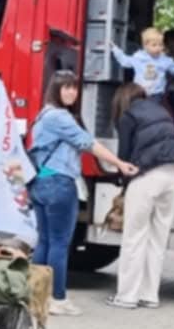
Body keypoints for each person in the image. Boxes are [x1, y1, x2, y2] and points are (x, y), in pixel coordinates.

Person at [28, 73, 134, 316]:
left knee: (44, 241)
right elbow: (88, 143)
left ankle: (36, 297)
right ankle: (57, 298)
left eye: (74, 88)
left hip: (40, 183)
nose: (71, 92)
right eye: (65, 88)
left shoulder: (43, 114)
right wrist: (119, 163)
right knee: (58, 244)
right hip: (59, 184)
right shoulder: (60, 117)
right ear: (55, 89)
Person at [108, 81, 174, 311]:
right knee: (157, 238)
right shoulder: (162, 111)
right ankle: (149, 295)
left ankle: (127, 296)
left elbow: (124, 158)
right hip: (171, 174)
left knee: (134, 237)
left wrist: (123, 187)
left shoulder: (128, 117)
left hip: (146, 176)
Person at [110, 27, 174, 102]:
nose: (158, 48)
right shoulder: (138, 57)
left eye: (160, 45)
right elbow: (125, 61)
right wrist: (115, 49)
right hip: (139, 93)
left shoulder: (165, 60)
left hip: (157, 94)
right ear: (145, 46)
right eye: (154, 45)